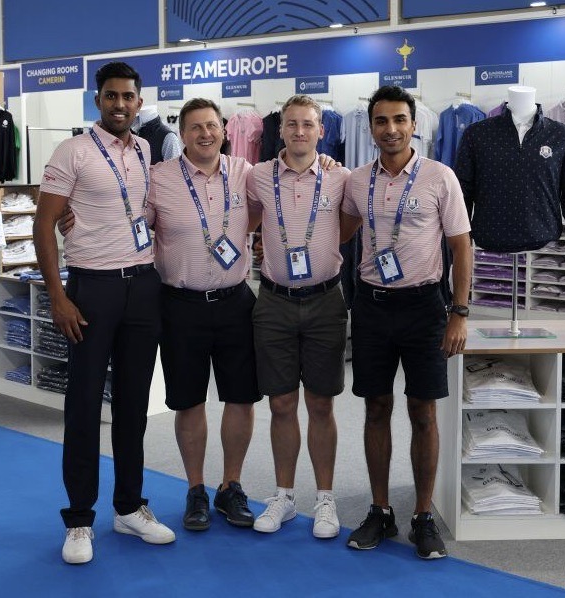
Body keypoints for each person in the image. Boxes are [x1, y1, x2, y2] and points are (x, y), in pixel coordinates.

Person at [34, 61, 175, 566]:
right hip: (91, 288)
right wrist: (58, 295)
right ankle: (78, 518)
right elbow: (44, 224)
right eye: (111, 96)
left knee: (134, 405)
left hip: (142, 285)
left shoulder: (145, 150)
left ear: (140, 102)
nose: (120, 105)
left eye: (128, 97)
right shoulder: (71, 150)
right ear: (99, 100)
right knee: (84, 403)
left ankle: (129, 506)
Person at [339, 85, 472, 560]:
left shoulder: (440, 177)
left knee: (424, 412)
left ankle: (421, 516)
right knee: (375, 408)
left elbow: (461, 247)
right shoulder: (356, 181)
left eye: (399, 120)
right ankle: (380, 510)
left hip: (424, 309)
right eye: (381, 121)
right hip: (372, 308)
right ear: (370, 127)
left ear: (414, 124)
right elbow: (339, 234)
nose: (390, 129)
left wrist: (458, 313)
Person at [147, 98, 262, 532]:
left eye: (212, 126)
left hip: (235, 303)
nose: (205, 134)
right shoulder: (159, 179)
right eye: (195, 127)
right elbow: (133, 225)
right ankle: (195, 489)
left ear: (224, 130)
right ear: (183, 131)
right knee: (188, 400)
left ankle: (230, 486)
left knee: (240, 397)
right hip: (181, 306)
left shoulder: (246, 174)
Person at [245, 95, 350, 538]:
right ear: (281, 130)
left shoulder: (339, 177)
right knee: (281, 402)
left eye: (308, 124)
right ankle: (284, 495)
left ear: (321, 131)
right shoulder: (258, 176)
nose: (300, 132)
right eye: (292, 124)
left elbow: (353, 222)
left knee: (321, 403)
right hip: (273, 301)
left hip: (326, 300)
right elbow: (244, 220)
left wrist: (325, 248)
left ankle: (325, 500)